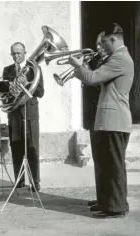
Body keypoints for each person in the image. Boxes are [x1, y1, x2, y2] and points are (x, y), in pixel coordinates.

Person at [69, 23, 133, 218]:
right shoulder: (116, 58)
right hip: (108, 119)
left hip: (114, 119)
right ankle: (105, 201)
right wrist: (84, 69)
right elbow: (96, 80)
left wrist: (79, 66)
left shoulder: (120, 58)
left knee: (113, 166)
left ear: (113, 39)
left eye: (104, 42)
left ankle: (116, 207)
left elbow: (92, 78)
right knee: (104, 164)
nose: (102, 46)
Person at [2, 42, 44, 192]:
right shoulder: (7, 70)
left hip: (30, 113)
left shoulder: (34, 69)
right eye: (13, 53)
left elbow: (40, 92)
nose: (16, 56)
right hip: (14, 114)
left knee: (32, 148)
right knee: (16, 147)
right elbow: (5, 93)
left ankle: (35, 182)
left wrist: (27, 83)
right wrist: (11, 91)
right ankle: (19, 180)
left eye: (18, 53)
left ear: (25, 53)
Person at [83, 32, 109, 210]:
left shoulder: (110, 63)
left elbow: (98, 83)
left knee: (106, 161)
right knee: (98, 160)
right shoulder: (95, 62)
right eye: (96, 44)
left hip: (104, 116)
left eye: (101, 44)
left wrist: (84, 70)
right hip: (93, 115)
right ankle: (101, 197)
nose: (98, 47)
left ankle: (107, 200)